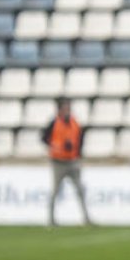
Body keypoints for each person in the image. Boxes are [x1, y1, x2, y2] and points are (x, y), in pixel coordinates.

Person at [41, 97, 92, 226]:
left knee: (80, 190)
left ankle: (86, 218)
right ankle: (51, 219)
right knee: (55, 191)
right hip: (58, 162)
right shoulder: (54, 123)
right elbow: (44, 138)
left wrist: (78, 153)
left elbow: (80, 139)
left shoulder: (75, 122)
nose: (67, 110)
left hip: (73, 161)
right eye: (65, 107)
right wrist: (56, 146)